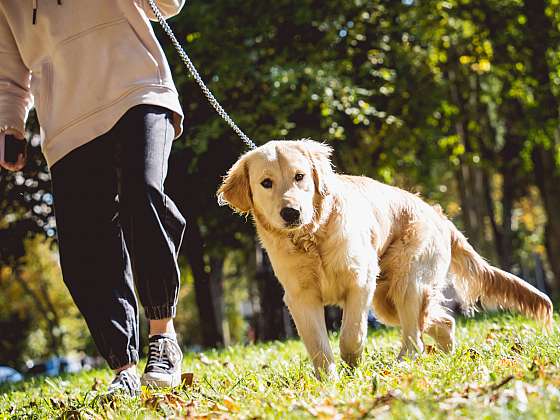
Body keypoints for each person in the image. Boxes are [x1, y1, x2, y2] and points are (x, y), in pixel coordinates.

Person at [0, 0, 187, 397]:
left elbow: (168, 6)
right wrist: (11, 124)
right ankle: (124, 368)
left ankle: (163, 336)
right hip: (66, 122)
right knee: (85, 247)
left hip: (138, 89)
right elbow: (9, 71)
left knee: (144, 193)